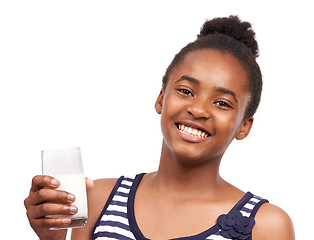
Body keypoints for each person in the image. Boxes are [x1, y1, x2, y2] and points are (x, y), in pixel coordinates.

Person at [24, 16, 295, 240]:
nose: (198, 110)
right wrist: (53, 239)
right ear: (161, 98)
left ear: (244, 126)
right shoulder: (96, 201)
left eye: (222, 103)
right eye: (186, 91)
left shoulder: (267, 226)